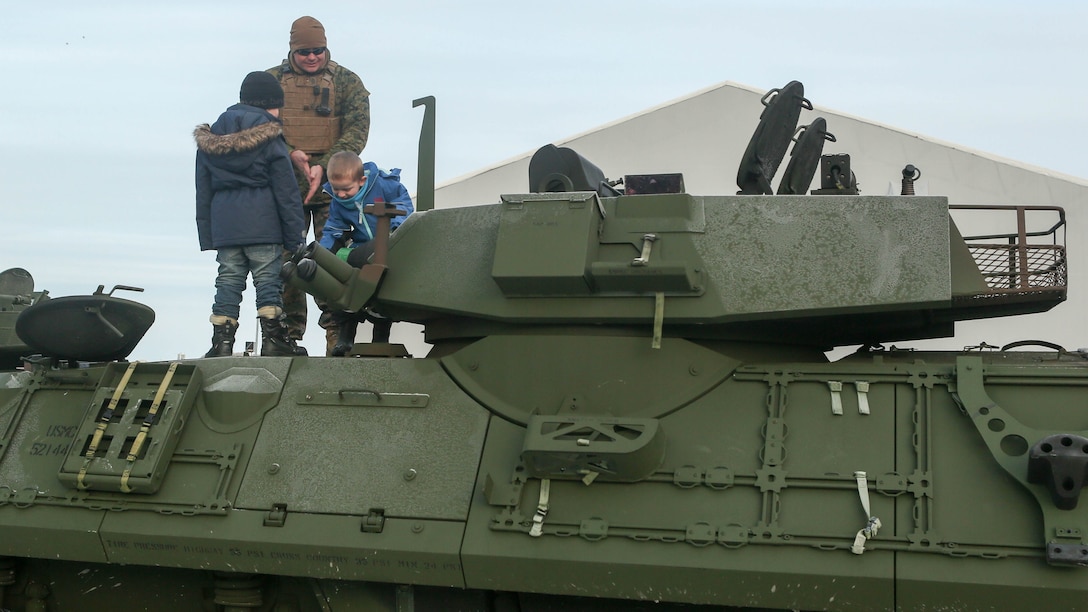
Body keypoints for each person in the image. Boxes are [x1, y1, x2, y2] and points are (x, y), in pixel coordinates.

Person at [266, 16, 372, 353]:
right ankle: (286, 337)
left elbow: (357, 129)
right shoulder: (271, 83)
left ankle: (337, 335)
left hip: (333, 191)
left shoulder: (346, 81)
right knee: (286, 263)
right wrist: (290, 154)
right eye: (304, 52)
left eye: (318, 51)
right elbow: (260, 129)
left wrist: (324, 166)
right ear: (292, 51)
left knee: (333, 261)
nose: (312, 57)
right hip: (285, 188)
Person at [194, 71, 308, 358]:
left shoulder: (211, 140)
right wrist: (295, 236)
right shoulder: (271, 137)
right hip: (263, 225)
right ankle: (274, 341)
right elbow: (286, 191)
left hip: (226, 227)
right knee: (268, 281)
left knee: (228, 280)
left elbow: (203, 190)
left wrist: (208, 235)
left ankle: (221, 343)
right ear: (271, 104)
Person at [319, 151, 414, 356]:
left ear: (361, 180)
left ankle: (380, 336)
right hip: (362, 247)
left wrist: (394, 229)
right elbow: (334, 227)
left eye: (346, 189)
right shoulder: (338, 201)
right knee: (345, 284)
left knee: (384, 291)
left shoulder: (383, 185)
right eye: (336, 189)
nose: (341, 194)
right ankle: (346, 336)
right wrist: (324, 253)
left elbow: (404, 203)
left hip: (389, 243)